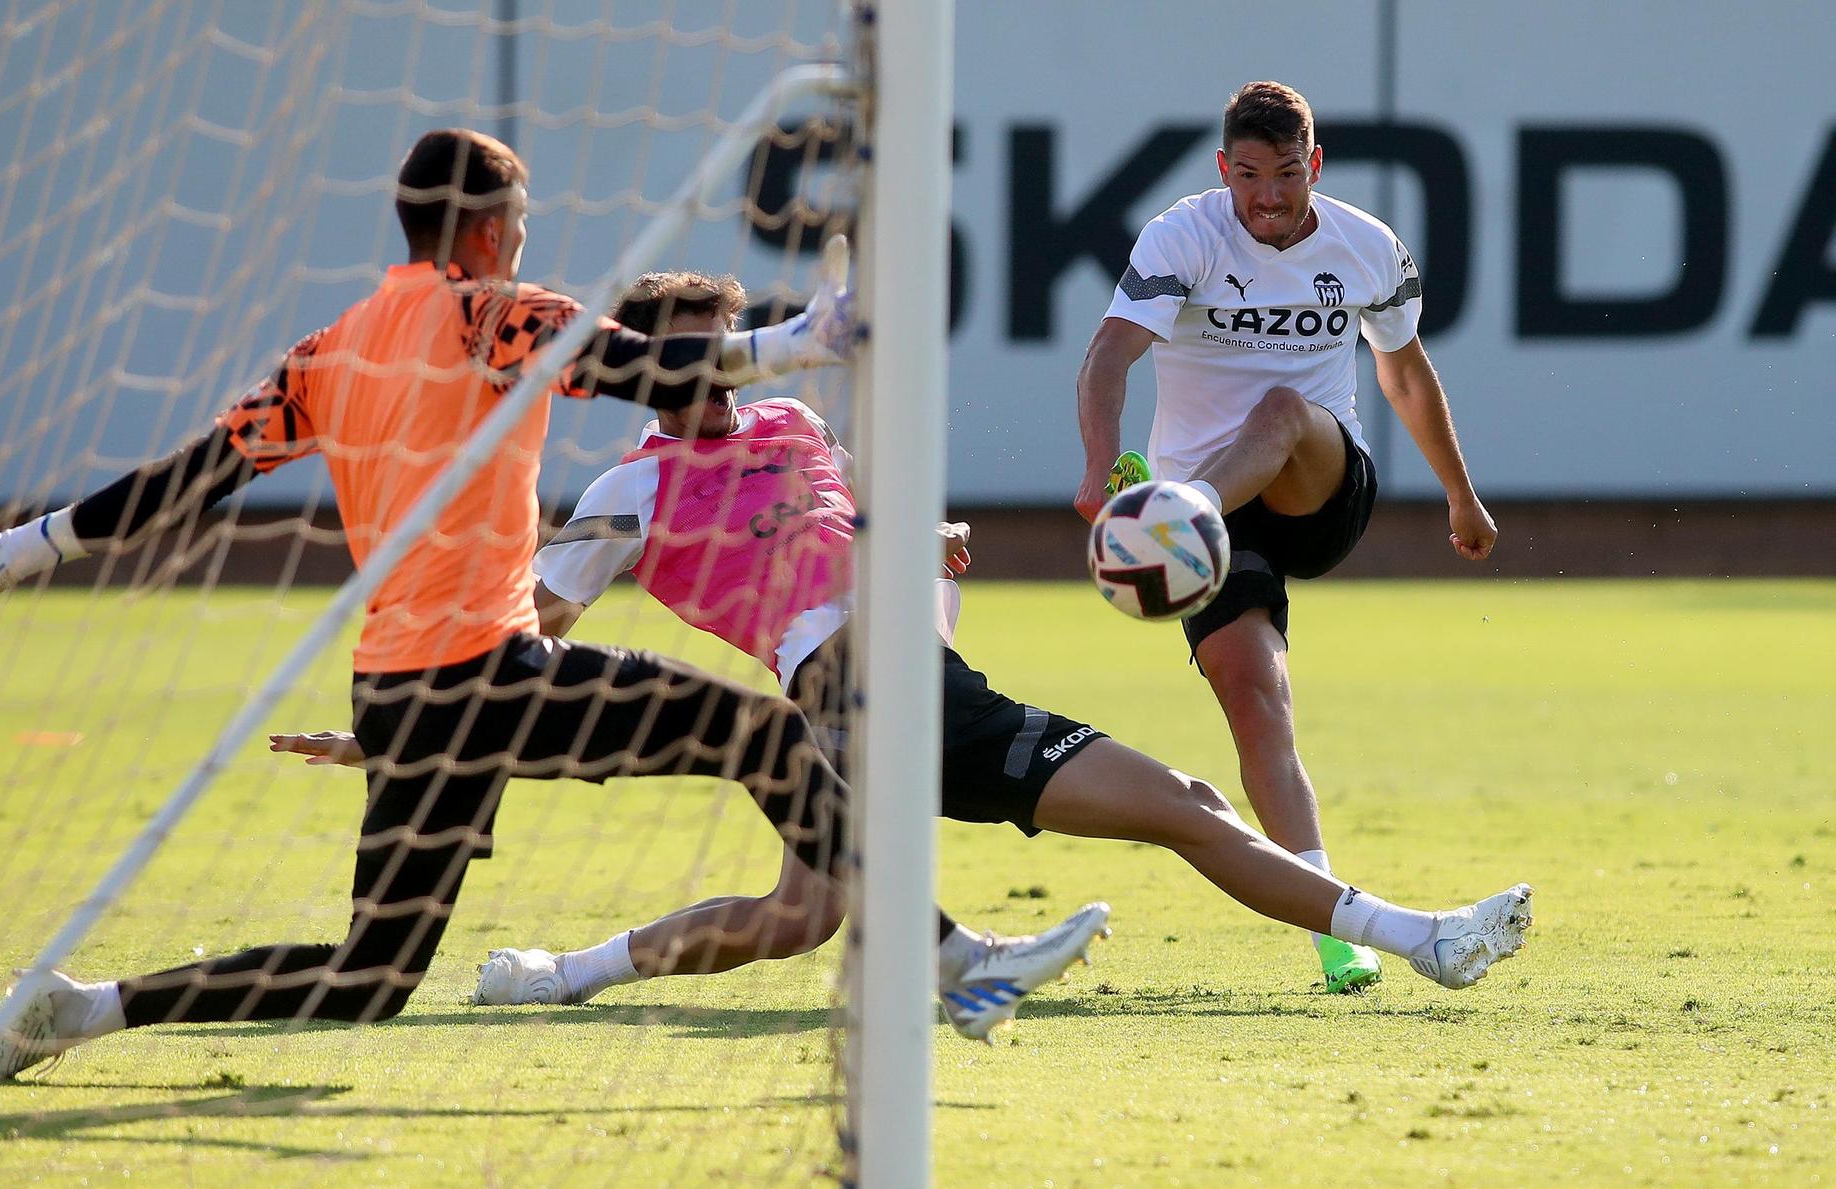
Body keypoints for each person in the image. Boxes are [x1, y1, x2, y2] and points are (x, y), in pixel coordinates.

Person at [0, 129, 1098, 1081]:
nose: (522, 243)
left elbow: (186, 479)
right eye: (516, 225)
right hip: (491, 674)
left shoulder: (329, 350)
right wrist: (791, 340)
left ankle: (84, 1008)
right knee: (765, 736)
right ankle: (955, 965)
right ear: (481, 228)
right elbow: (637, 367)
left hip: (400, 693)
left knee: (369, 974)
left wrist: (17, 549)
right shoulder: (487, 312)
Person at [274, 270, 1531, 1013]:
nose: (711, 384)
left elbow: (859, 530)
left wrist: (918, 546)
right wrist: (405, 721)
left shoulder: (791, 423)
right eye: (687, 367)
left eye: (717, 361)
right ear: (650, 378)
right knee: (813, 912)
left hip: (928, 687)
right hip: (830, 708)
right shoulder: (628, 494)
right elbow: (522, 635)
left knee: (821, 906)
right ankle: (962, 966)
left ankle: (561, 973)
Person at [1073, 81, 1501, 993]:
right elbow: (1108, 355)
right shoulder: (1182, 235)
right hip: (1212, 529)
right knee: (1254, 698)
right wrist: (1098, 466)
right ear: (1224, 169)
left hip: (1315, 486)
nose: (1269, 196)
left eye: (1287, 175)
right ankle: (1333, 930)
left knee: (1280, 406)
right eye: (1250, 176)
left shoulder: (1367, 246)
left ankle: (1181, 511)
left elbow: (1406, 377)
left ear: (1316, 166)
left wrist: (1461, 497)